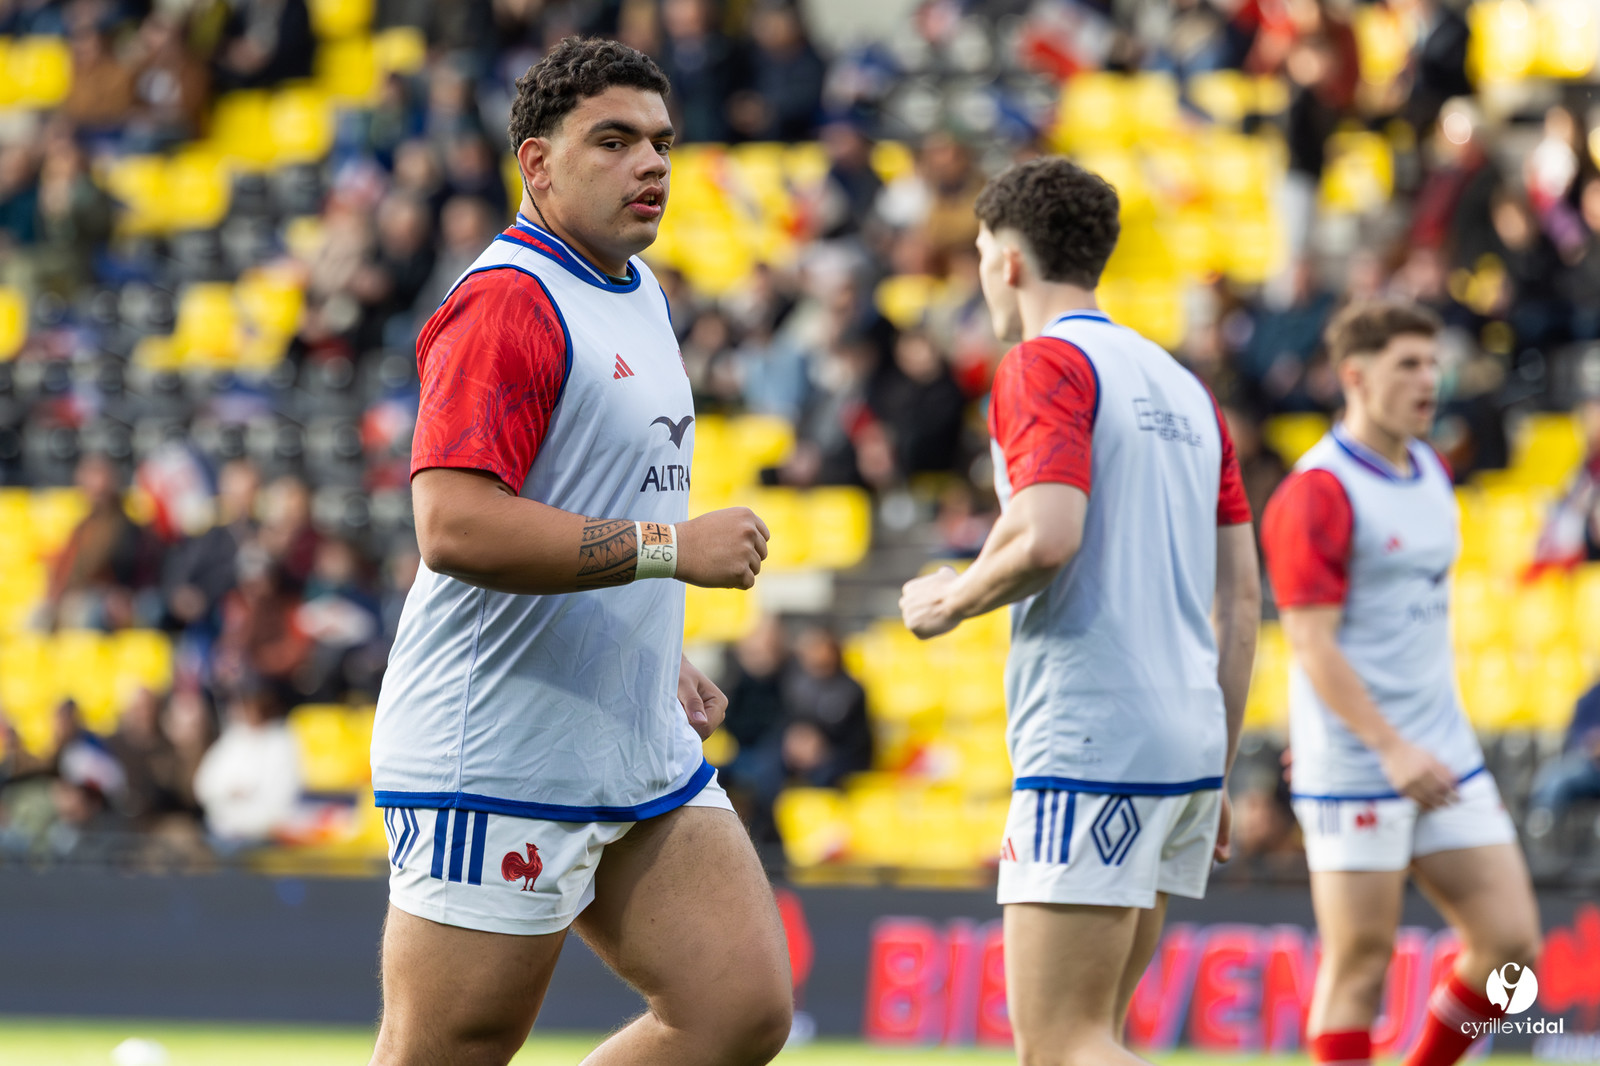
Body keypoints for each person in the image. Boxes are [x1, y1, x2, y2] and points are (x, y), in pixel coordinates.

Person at [367, 38, 792, 1066]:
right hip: (500, 744)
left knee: (736, 1009)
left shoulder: (636, 289)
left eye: (660, 142)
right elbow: (455, 525)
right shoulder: (508, 300)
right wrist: (669, 553)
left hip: (627, 729)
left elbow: (591, 491)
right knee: (446, 1051)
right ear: (537, 164)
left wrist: (649, 638)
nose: (650, 163)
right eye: (613, 140)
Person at [898, 157, 1260, 1066]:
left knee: (1058, 1047)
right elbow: (1243, 597)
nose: (980, 270)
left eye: (981, 251)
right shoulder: (1185, 388)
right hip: (1186, 741)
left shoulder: (1042, 364)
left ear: (1008, 261)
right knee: (1101, 1035)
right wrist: (1216, 767)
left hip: (1096, 733)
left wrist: (953, 599)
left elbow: (1049, 535)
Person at [1259, 301, 1542, 1066]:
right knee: (1360, 966)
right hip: (1361, 760)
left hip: (1443, 748)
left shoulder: (1430, 469)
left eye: (1432, 362)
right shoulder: (1316, 492)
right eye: (1407, 366)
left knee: (1512, 950)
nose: (1430, 379)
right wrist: (1384, 747)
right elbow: (1309, 645)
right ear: (1354, 377)